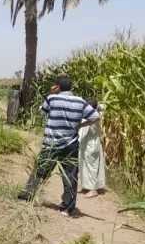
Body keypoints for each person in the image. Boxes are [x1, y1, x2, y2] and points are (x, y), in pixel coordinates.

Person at [17, 74, 99, 216]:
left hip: (52, 144)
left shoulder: (52, 98)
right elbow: (95, 117)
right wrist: (80, 125)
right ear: (71, 87)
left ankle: (27, 195)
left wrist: (52, 93)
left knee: (41, 170)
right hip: (70, 145)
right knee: (70, 176)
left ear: (58, 86)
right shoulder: (80, 101)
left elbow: (42, 111)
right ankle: (68, 208)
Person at [78, 100, 106, 198]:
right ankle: (87, 186)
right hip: (90, 144)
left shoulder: (92, 117)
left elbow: (82, 130)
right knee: (85, 166)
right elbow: (103, 107)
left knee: (91, 167)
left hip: (91, 145)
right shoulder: (97, 114)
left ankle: (93, 189)